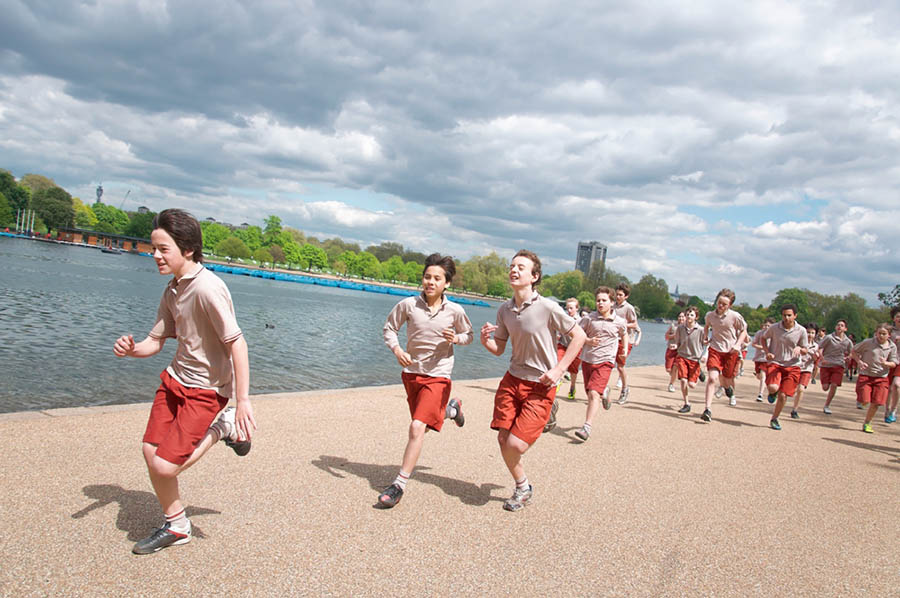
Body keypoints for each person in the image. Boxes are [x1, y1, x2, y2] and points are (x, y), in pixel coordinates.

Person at [112, 208, 256, 555]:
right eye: (154, 248)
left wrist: (241, 402)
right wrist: (131, 350)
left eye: (163, 249)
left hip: (206, 391)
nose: (155, 255)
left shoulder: (209, 289)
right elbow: (156, 341)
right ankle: (177, 525)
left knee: (165, 464)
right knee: (150, 453)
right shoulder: (172, 289)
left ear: (187, 248)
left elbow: (237, 343)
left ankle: (221, 428)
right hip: (175, 380)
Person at [480, 250, 586, 512]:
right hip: (512, 379)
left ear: (534, 276)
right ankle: (523, 487)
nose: (514, 270)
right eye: (512, 266)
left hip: (541, 385)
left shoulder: (548, 307)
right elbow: (500, 348)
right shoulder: (505, 309)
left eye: (521, 267)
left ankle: (548, 412)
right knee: (503, 440)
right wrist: (486, 342)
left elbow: (580, 337)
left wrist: (559, 370)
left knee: (516, 444)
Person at [378, 253, 474, 508]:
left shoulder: (455, 311)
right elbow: (389, 328)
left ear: (447, 283)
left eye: (437, 278)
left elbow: (469, 335)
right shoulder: (408, 305)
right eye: (427, 277)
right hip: (412, 374)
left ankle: (398, 484)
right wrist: (397, 350)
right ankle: (451, 411)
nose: (430, 282)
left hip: (439, 375)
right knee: (425, 424)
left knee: (417, 427)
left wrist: (456, 339)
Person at [572, 287, 627, 442]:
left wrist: (623, 351)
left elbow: (624, 333)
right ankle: (605, 393)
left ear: (611, 302)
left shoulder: (619, 321)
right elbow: (577, 333)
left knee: (593, 394)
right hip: (589, 359)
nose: (600, 303)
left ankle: (586, 427)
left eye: (604, 300)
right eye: (598, 300)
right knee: (590, 391)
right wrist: (588, 341)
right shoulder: (589, 319)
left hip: (606, 361)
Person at [701, 289, 748, 421]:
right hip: (715, 350)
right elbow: (706, 326)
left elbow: (744, 331)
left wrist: (738, 344)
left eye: (724, 304)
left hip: (730, 352)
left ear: (730, 306)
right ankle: (707, 409)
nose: (720, 306)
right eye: (719, 302)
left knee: (726, 379)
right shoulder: (710, 315)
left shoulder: (735, 316)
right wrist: (705, 337)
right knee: (711, 378)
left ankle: (729, 390)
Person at [760, 303, 809, 430]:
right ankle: (772, 393)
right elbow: (763, 338)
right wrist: (767, 352)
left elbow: (805, 349)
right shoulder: (774, 328)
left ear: (795, 316)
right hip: (776, 362)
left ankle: (775, 418)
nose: (786, 318)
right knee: (772, 387)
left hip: (793, 365)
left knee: (783, 395)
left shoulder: (801, 330)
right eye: (784, 315)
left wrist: (800, 348)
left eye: (789, 315)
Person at [851, 324, 898, 433]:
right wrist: (859, 362)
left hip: (881, 377)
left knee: (877, 402)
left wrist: (886, 363)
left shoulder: (892, 347)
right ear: (876, 333)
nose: (881, 336)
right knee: (865, 400)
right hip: (866, 375)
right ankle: (861, 400)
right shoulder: (868, 342)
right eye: (879, 333)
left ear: (889, 335)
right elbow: (854, 351)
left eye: (884, 334)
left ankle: (867, 422)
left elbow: (894, 363)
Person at [612, 283, 641, 404]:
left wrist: (623, 324)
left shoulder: (629, 308)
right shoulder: (612, 306)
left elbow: (634, 324)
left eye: (620, 295)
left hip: (626, 340)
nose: (618, 297)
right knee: (606, 363)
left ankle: (625, 389)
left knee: (620, 366)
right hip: (613, 339)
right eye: (617, 294)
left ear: (626, 296)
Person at [819, 320, 854, 414]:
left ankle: (827, 405)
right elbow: (820, 348)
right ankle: (827, 382)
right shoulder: (829, 338)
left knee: (834, 385)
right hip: (826, 364)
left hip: (839, 365)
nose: (839, 327)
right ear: (835, 327)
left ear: (845, 329)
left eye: (842, 325)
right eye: (838, 325)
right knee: (825, 387)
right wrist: (822, 358)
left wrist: (848, 357)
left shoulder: (848, 341)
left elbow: (852, 352)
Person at [674, 306, 705, 414]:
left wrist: (704, 355)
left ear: (696, 317)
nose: (688, 317)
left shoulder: (701, 330)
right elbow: (677, 340)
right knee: (683, 380)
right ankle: (686, 403)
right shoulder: (680, 328)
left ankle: (699, 372)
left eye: (691, 315)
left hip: (695, 359)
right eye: (687, 314)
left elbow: (706, 343)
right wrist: (675, 347)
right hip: (682, 356)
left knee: (692, 385)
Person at [788, 323, 820, 419]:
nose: (810, 335)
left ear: (815, 334)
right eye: (808, 332)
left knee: (801, 389)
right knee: (789, 388)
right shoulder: (798, 342)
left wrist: (815, 357)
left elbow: (815, 360)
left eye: (812, 333)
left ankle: (795, 410)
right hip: (795, 366)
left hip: (807, 369)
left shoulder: (815, 346)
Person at [557, 298, 583, 401]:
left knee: (573, 370)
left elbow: (584, 335)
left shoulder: (581, 321)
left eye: (571, 308)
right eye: (567, 308)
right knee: (558, 363)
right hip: (563, 345)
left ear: (577, 308)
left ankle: (572, 387)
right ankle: (557, 382)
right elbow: (558, 333)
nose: (569, 310)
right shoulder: (564, 318)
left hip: (576, 347)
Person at [750, 318, 775, 401]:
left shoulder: (774, 335)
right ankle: (772, 389)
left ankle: (760, 394)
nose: (767, 327)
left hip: (767, 359)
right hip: (758, 358)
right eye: (765, 325)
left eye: (769, 326)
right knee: (759, 376)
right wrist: (762, 347)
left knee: (763, 375)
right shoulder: (759, 333)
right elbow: (753, 344)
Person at [885, 307, 900, 423]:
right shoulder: (889, 331)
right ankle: (887, 410)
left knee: (897, 385)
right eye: (898, 316)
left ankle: (893, 410)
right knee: (889, 388)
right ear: (893, 318)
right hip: (889, 361)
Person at [665, 312, 685, 392]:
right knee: (668, 369)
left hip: (680, 350)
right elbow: (666, 336)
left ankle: (671, 384)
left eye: (683, 317)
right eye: (679, 316)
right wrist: (673, 336)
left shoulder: (686, 328)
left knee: (675, 367)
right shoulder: (673, 326)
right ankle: (673, 376)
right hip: (670, 349)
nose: (681, 318)